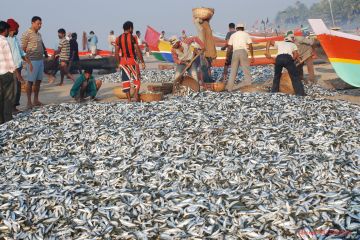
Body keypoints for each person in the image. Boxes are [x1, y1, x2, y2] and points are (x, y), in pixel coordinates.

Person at [115, 21, 146, 102]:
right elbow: (138, 50)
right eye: (132, 28)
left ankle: (129, 99)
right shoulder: (133, 37)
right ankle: (136, 96)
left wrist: (118, 63)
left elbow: (116, 53)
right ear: (130, 28)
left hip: (123, 61)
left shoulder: (118, 38)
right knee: (137, 78)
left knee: (125, 80)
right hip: (132, 60)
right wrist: (142, 62)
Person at [6, 19, 32, 113]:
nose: (16, 31)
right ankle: (11, 108)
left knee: (18, 87)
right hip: (13, 68)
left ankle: (15, 106)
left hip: (19, 66)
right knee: (14, 88)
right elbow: (9, 57)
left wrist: (28, 61)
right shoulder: (6, 40)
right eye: (15, 29)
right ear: (10, 29)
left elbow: (21, 52)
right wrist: (18, 73)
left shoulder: (14, 39)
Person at [21, 16, 47, 109]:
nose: (40, 25)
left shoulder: (39, 34)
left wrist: (45, 56)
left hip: (40, 60)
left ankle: (36, 100)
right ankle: (29, 102)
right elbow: (23, 49)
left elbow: (42, 46)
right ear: (32, 23)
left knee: (39, 81)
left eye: (40, 24)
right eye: (38, 24)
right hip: (32, 61)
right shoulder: (26, 34)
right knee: (30, 82)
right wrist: (28, 62)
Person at [226, 23, 254, 91]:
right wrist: (252, 55)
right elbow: (250, 45)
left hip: (235, 53)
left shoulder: (233, 35)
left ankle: (229, 88)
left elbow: (229, 47)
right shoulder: (246, 34)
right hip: (243, 52)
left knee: (233, 71)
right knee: (246, 70)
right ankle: (248, 86)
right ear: (243, 28)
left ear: (236, 28)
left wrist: (227, 57)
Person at [193, 17, 217, 83]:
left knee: (203, 67)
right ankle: (206, 80)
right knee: (205, 67)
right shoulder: (207, 29)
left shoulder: (202, 29)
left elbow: (196, 22)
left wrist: (197, 20)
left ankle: (204, 81)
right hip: (205, 51)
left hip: (202, 51)